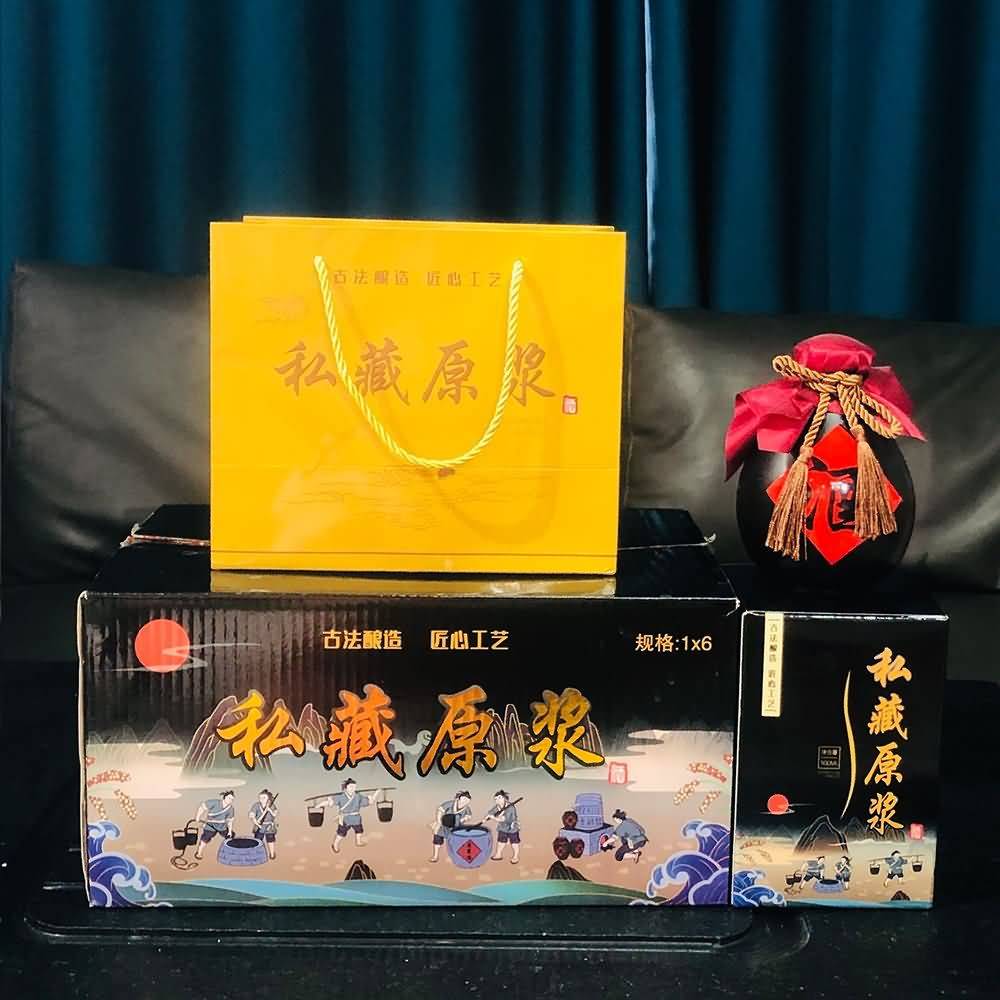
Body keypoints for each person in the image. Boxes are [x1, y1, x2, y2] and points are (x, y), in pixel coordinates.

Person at [323, 778, 378, 853]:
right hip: (345, 819)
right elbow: (330, 803)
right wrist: (321, 804)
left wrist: (374, 795)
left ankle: (358, 841)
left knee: (359, 830)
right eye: (351, 787)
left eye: (354, 787)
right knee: (341, 833)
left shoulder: (358, 796)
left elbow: (369, 802)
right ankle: (335, 844)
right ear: (346, 788)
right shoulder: (341, 797)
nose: (353, 788)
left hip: (356, 818)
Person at [430, 790, 474, 862]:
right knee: (437, 840)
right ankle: (435, 856)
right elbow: (440, 810)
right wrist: (439, 821)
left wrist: (463, 819)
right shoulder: (450, 804)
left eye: (467, 801)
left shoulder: (466, 808)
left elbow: (469, 816)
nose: (465, 802)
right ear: (459, 798)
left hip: (455, 827)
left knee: (454, 842)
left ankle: (452, 856)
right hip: (443, 825)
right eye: (464, 799)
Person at [194, 790, 235, 860]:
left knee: (231, 836)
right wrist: (197, 817)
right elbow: (202, 807)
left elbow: (230, 821)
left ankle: (231, 852)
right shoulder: (214, 802)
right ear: (224, 797)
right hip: (210, 825)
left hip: (222, 826)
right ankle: (199, 853)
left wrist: (230, 831)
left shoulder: (230, 808)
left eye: (232, 799)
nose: (230, 800)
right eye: (229, 798)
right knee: (205, 838)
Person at [483, 790, 520, 864]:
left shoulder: (510, 807)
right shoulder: (497, 806)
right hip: (502, 828)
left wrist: (493, 818)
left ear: (504, 798)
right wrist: (485, 818)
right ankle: (498, 854)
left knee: (514, 843)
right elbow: (491, 812)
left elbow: (504, 819)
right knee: (501, 841)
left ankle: (515, 856)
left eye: (499, 798)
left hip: (512, 828)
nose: (497, 800)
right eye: (496, 799)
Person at [249, 789, 279, 860]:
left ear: (268, 798)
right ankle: (256, 854)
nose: (261, 799)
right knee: (258, 840)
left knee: (270, 840)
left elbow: (275, 814)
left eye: (264, 797)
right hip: (259, 825)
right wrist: (256, 822)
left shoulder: (271, 805)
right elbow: (252, 815)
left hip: (269, 826)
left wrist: (269, 810)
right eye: (260, 797)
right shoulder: (256, 805)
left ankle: (272, 853)